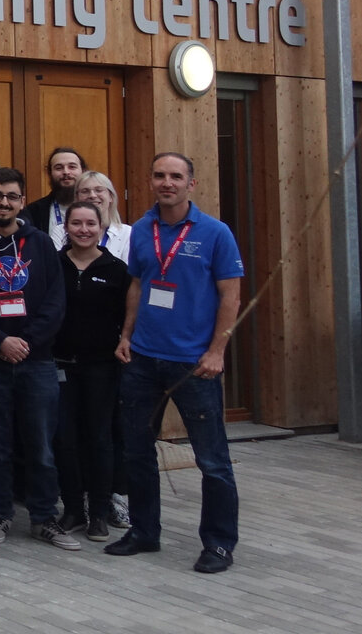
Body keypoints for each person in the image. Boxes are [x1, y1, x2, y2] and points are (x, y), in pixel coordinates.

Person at [109, 152, 245, 574]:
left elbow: (231, 296)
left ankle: (219, 544)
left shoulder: (215, 233)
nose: (166, 183)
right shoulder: (142, 230)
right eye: (159, 176)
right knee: (136, 452)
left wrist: (217, 351)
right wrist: (126, 335)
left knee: (212, 461)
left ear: (192, 183)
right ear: (151, 181)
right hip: (144, 358)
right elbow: (137, 285)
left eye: (175, 176)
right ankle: (145, 532)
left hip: (193, 364)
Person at [0, 168, 75, 550]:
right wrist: (0, 341)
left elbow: (55, 303)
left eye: (12, 196)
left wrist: (25, 342)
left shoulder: (41, 243)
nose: (3, 202)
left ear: (21, 200)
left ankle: (44, 517)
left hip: (37, 361)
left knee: (41, 445)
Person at [56, 199, 129, 542]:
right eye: (76, 223)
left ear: (101, 228)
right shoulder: (54, 265)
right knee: (65, 438)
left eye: (90, 224)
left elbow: (127, 318)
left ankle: (98, 512)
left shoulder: (116, 269)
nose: (83, 230)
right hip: (59, 366)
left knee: (99, 439)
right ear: (66, 228)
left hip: (101, 367)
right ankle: (72, 508)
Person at [22, 145, 86, 243]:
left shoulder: (96, 206)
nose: (66, 172)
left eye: (72, 167)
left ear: (83, 171)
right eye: (59, 168)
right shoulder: (34, 211)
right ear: (50, 173)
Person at [66, 170, 131, 263]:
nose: (92, 195)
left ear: (111, 197)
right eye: (85, 191)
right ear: (76, 198)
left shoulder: (127, 233)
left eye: (99, 190)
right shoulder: (61, 231)